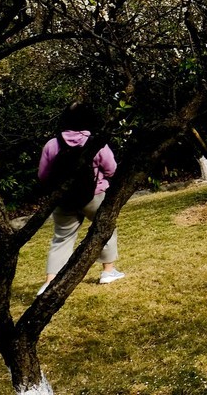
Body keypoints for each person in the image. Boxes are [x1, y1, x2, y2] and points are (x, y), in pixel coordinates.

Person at [37, 102, 124, 294]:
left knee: (61, 239)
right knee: (106, 228)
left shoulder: (52, 144)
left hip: (63, 199)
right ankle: (108, 272)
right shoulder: (95, 142)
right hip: (94, 195)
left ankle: (50, 282)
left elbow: (43, 176)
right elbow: (111, 169)